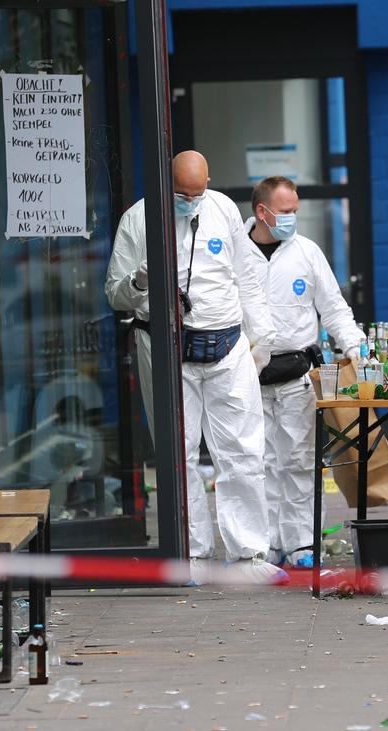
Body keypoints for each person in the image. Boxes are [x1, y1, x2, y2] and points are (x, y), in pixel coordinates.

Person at [105, 151, 286, 585]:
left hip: (226, 346)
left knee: (242, 451)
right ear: (165, 183)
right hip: (167, 349)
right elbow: (115, 295)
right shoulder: (137, 220)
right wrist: (141, 280)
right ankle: (193, 554)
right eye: (181, 194)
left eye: (197, 193)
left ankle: (248, 554)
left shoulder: (222, 208)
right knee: (177, 453)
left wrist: (262, 343)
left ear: (209, 183)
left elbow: (248, 277)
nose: (190, 201)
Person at [245, 176, 365, 569]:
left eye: (296, 211)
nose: (293, 218)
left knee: (298, 460)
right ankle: (260, 545)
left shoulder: (306, 252)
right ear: (262, 212)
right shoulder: (233, 251)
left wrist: (354, 346)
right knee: (254, 462)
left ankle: (300, 544)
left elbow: (333, 306)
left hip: (297, 373)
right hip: (247, 374)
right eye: (286, 212)